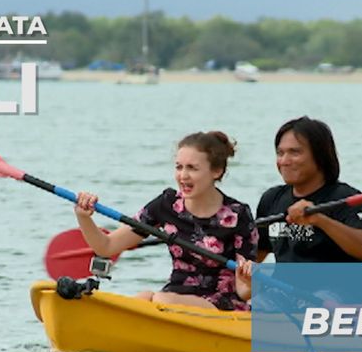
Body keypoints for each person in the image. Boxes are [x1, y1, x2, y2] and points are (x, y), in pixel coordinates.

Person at [75, 131, 257, 311]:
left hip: (221, 302)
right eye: (179, 167)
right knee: (143, 298)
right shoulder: (167, 204)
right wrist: (83, 216)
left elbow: (242, 291)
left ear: (216, 171)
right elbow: (106, 246)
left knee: (162, 300)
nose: (183, 176)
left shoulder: (238, 215)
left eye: (192, 168)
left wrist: (249, 281)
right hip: (174, 293)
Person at [235, 116, 362, 288]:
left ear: (320, 156)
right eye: (280, 153)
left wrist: (320, 220)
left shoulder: (346, 198)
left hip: (339, 296)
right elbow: (254, 257)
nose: (284, 161)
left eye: (294, 152)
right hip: (287, 296)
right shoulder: (271, 199)